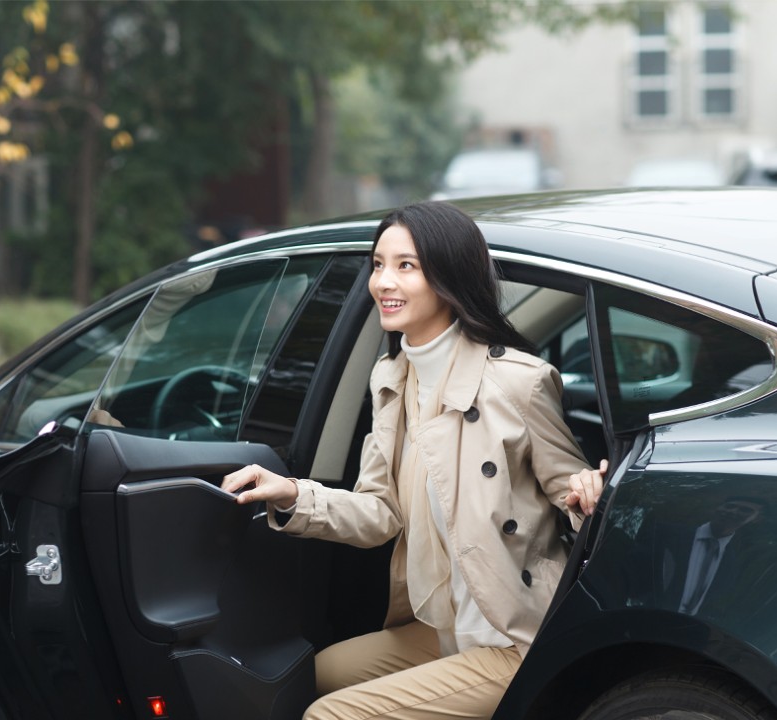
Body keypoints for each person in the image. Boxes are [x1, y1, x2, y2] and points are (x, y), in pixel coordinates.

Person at [221, 201, 608, 720]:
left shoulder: (519, 381)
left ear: (449, 276)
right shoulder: (392, 378)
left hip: (515, 633)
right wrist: (293, 494)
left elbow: (573, 496)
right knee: (309, 673)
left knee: (330, 716)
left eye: (407, 266)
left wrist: (586, 498)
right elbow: (380, 513)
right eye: (378, 264)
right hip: (443, 626)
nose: (384, 282)